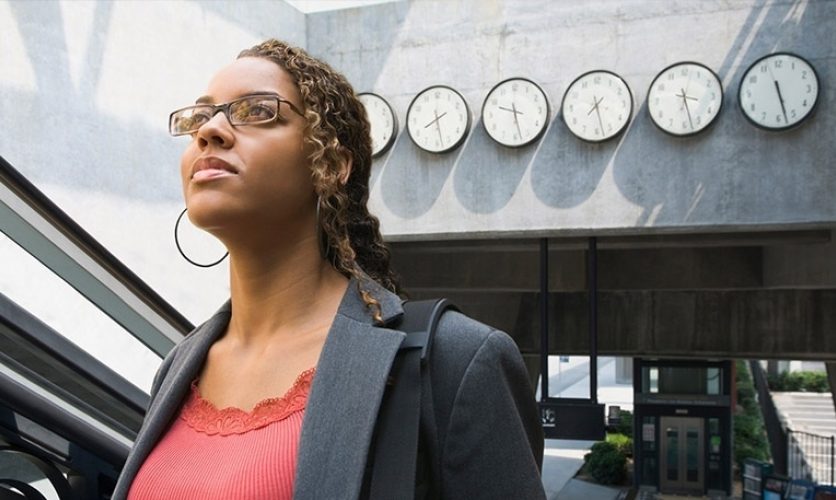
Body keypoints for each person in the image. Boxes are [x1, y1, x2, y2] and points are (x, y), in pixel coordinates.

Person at [113, 39, 545, 500]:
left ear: (332, 165)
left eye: (257, 111)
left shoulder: (457, 361)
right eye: (201, 117)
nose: (211, 130)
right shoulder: (180, 367)